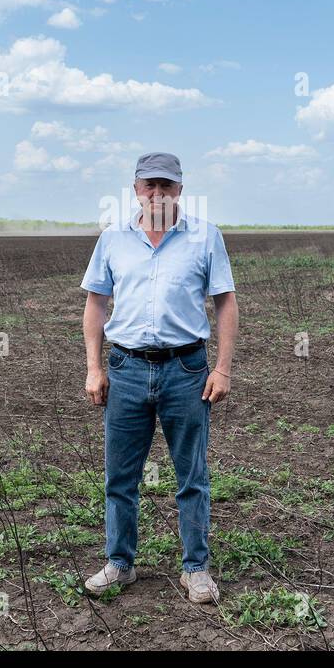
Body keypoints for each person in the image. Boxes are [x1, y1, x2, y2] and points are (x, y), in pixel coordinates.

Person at [79, 152, 238, 605]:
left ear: (180, 191)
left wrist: (222, 367)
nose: (157, 193)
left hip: (186, 370)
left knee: (192, 475)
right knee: (120, 476)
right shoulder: (113, 239)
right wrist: (94, 367)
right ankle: (120, 564)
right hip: (125, 369)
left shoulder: (205, 238)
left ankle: (195, 569)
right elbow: (96, 305)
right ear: (135, 189)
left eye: (166, 185)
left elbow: (224, 302)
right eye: (149, 184)